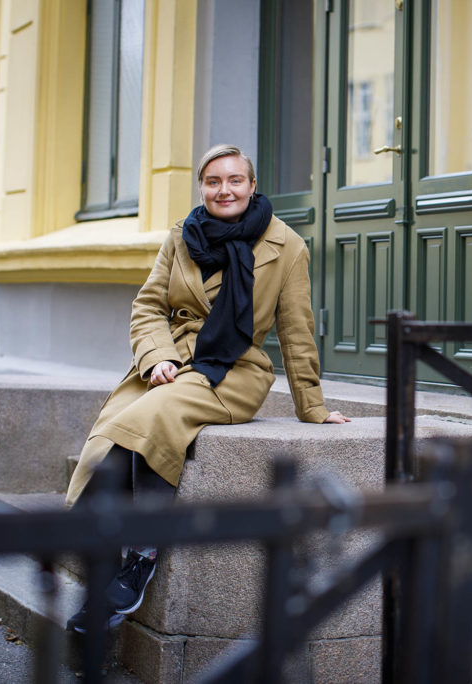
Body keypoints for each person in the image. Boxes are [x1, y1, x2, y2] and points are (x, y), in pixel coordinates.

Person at [65, 143, 349, 633]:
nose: (225, 190)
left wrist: (313, 406)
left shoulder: (287, 246)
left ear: (252, 185)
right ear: (202, 187)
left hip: (234, 370)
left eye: (235, 180)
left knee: (152, 418)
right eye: (214, 181)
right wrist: (158, 358)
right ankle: (102, 568)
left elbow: (297, 329)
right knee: (111, 435)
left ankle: (143, 555)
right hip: (173, 363)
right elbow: (148, 305)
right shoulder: (182, 236)